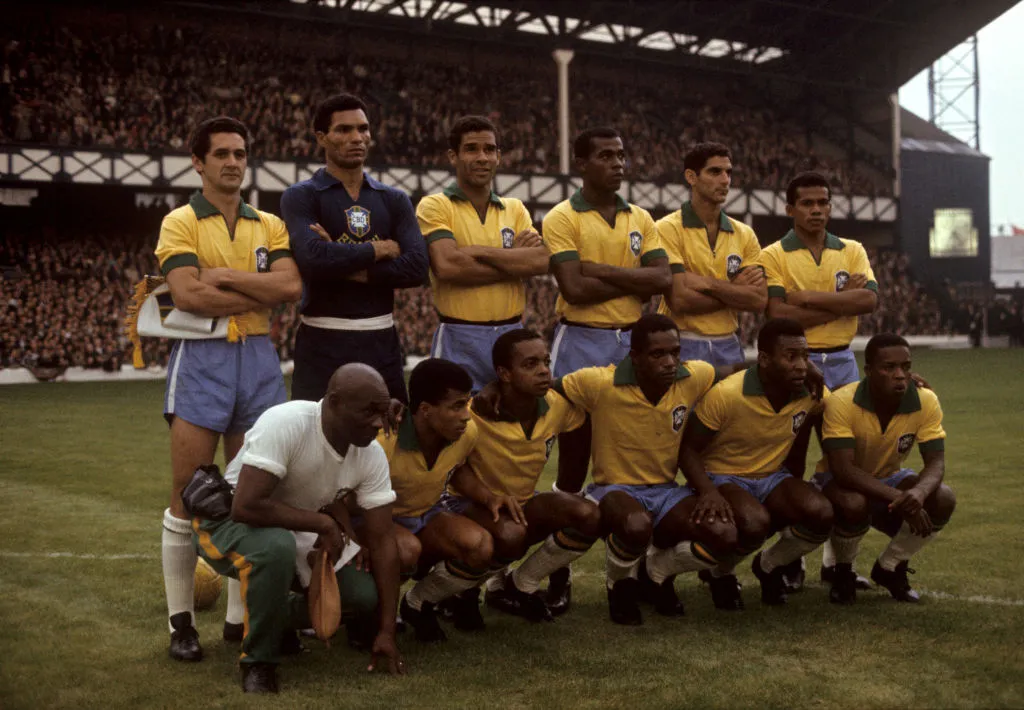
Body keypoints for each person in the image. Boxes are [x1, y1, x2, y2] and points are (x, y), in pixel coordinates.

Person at [154, 116, 302, 663]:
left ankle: (239, 621)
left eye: (240, 153)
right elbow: (188, 297)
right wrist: (254, 292)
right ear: (198, 162)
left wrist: (227, 279)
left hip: (260, 359)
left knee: (253, 490)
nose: (233, 162)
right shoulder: (179, 222)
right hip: (203, 357)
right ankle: (181, 624)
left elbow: (290, 286)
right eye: (221, 154)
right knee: (187, 490)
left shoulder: (270, 223)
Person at [193, 364, 405, 693]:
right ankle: (258, 662)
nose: (379, 422)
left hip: (290, 522)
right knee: (276, 547)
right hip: (224, 519)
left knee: (361, 595)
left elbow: (384, 541)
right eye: (368, 411)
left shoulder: (371, 454)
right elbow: (245, 505)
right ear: (334, 403)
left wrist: (387, 630)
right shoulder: (287, 422)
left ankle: (271, 619)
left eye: (382, 410)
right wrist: (322, 523)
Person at [540, 126, 672, 612]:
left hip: (633, 346)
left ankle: (634, 573)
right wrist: (631, 281)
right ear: (582, 163)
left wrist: (602, 271)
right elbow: (573, 290)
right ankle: (559, 572)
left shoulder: (641, 217)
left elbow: (663, 278)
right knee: (573, 465)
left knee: (635, 459)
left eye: (621, 155)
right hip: (581, 340)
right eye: (605, 156)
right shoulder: (561, 216)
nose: (617, 163)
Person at [552, 314, 740, 625]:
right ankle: (620, 585)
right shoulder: (598, 383)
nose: (669, 362)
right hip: (613, 491)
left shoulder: (694, 376)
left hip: (666, 491)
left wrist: (809, 373)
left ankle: (656, 574)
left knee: (724, 534)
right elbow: (548, 388)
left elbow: (734, 372)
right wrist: (492, 390)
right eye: (658, 354)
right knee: (636, 525)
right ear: (635, 357)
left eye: (675, 352)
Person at [758, 171, 879, 586]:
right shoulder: (773, 254)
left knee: (846, 461)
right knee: (788, 460)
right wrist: (842, 304)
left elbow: (870, 299)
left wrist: (806, 299)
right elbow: (777, 315)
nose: (816, 210)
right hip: (794, 364)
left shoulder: (852, 249)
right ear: (790, 208)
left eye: (823, 203)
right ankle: (789, 558)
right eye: (807, 203)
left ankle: (838, 563)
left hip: (843, 363)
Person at [281, 93, 428, 404]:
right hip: (322, 340)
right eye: (344, 130)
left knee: (389, 439)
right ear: (321, 137)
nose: (357, 138)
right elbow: (311, 259)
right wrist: (379, 249)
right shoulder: (301, 196)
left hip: (381, 340)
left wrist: (338, 259)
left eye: (363, 129)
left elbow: (417, 267)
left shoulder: (394, 199)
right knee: (315, 440)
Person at [678, 318, 833, 609]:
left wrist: (912, 385)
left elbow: (850, 404)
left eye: (805, 356)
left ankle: (769, 565)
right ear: (764, 359)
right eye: (790, 357)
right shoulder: (727, 394)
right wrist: (708, 491)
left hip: (772, 477)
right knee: (754, 521)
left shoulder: (810, 393)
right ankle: (719, 573)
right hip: (723, 476)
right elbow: (687, 450)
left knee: (821, 513)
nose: (801, 365)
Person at [451, 329, 602, 622]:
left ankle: (520, 584)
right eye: (530, 364)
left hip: (521, 503)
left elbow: (580, 426)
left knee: (589, 515)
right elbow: (453, 469)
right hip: (468, 506)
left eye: (546, 362)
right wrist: (489, 497)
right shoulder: (475, 414)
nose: (544, 371)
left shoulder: (557, 405)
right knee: (512, 534)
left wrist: (567, 488)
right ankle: (462, 590)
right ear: (504, 374)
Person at [377, 359, 517, 643]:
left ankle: (418, 602)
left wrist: (489, 497)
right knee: (406, 550)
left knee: (480, 546)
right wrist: (362, 536)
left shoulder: (466, 433)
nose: (466, 415)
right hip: (379, 520)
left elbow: (457, 469)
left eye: (466, 404)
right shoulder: (384, 440)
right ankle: (372, 617)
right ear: (426, 410)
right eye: (456, 406)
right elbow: (352, 494)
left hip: (427, 514)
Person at [813, 334, 955, 604]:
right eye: (888, 368)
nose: (900, 375)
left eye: (905, 367)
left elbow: (936, 462)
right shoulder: (843, 401)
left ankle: (889, 567)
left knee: (943, 497)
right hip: (837, 483)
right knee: (854, 503)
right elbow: (843, 470)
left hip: (889, 478)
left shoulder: (925, 400)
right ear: (868, 371)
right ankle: (842, 571)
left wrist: (919, 493)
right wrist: (899, 498)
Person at [417, 115, 548, 391]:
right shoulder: (435, 206)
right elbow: (448, 267)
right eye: (471, 149)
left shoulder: (515, 208)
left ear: (499, 156)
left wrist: (475, 252)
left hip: (513, 335)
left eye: (489, 149)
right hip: (458, 335)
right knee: (456, 426)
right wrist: (512, 259)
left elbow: (539, 261)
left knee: (514, 426)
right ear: (453, 156)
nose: (482, 157)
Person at [658, 142, 766, 366]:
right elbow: (679, 300)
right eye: (715, 171)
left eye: (728, 172)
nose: (725, 180)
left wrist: (706, 283)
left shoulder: (744, 234)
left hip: (729, 344)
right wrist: (735, 289)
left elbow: (758, 299)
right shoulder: (667, 228)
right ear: (691, 177)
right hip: (681, 342)